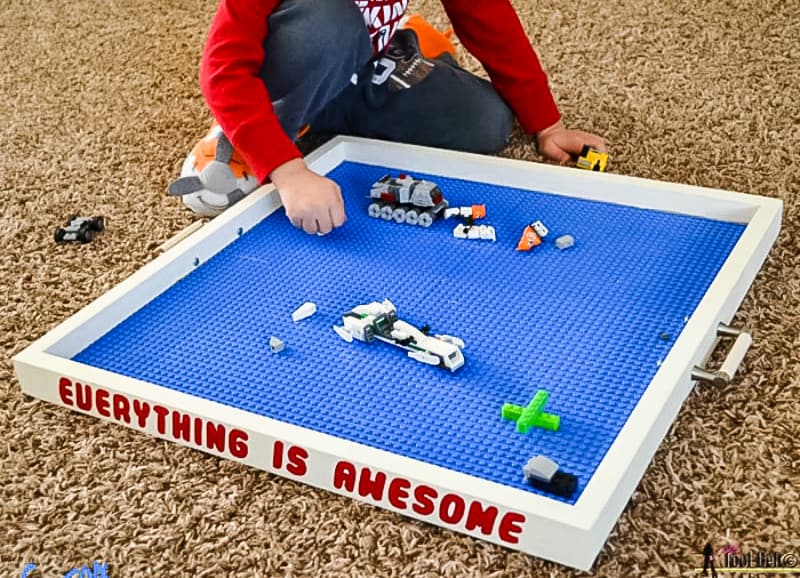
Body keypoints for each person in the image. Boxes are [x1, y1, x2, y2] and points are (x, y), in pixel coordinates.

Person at [170, 0, 606, 235]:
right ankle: (250, 135)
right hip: (298, 60)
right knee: (329, 25)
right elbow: (223, 69)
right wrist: (287, 171)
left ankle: (397, 50)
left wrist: (546, 123)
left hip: (366, 64)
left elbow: (489, 18)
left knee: (485, 123)